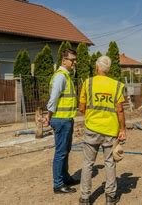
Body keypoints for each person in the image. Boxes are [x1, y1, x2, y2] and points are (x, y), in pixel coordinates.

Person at [78, 56, 126, 205]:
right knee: (110, 163)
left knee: (87, 163)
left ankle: (85, 198)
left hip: (92, 128)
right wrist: (122, 129)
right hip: (110, 130)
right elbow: (120, 110)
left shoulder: (88, 83)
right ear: (109, 68)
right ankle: (110, 197)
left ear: (97, 67)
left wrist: (92, 117)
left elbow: (81, 108)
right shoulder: (117, 85)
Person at [44, 49, 79, 194]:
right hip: (61, 119)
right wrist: (49, 115)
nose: (74, 62)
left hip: (66, 119)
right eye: (72, 60)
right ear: (64, 60)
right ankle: (58, 184)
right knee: (61, 152)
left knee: (65, 150)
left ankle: (65, 177)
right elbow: (54, 98)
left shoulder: (66, 76)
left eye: (75, 60)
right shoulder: (61, 77)